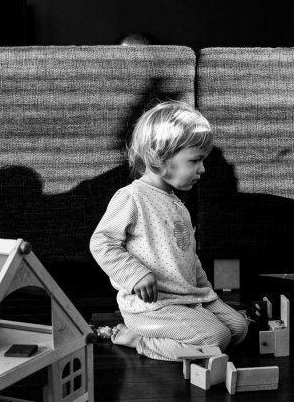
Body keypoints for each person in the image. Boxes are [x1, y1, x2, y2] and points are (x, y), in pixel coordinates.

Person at [90, 100, 248, 361]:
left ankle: (192, 330)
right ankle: (138, 340)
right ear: (159, 157)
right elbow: (102, 242)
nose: (203, 169)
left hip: (189, 297)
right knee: (216, 338)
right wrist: (135, 275)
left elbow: (189, 256)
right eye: (195, 160)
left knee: (239, 329)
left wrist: (206, 292)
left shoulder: (177, 204)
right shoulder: (132, 197)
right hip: (151, 307)